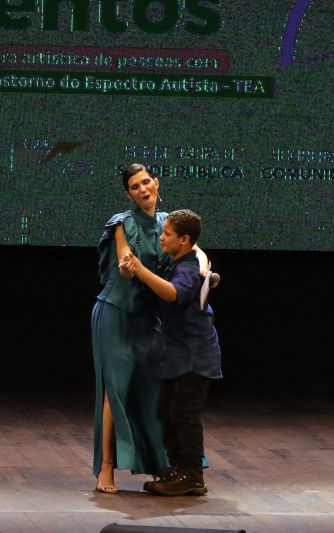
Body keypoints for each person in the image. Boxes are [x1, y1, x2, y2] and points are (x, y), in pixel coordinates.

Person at [92, 164, 211, 493]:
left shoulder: (168, 222)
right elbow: (125, 263)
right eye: (134, 186)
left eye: (146, 182)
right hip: (117, 313)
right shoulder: (122, 223)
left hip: (150, 318)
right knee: (114, 391)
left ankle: (167, 467)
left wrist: (207, 272)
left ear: (156, 183)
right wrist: (130, 266)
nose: (143, 189)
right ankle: (105, 470)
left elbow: (198, 255)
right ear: (128, 194)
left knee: (154, 393)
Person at [120, 209, 222, 496]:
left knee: (184, 414)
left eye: (167, 234)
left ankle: (193, 475)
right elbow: (200, 250)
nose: (161, 238)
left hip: (196, 355)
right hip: (177, 354)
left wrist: (140, 269)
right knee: (166, 411)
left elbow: (172, 293)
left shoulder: (188, 270)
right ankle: (178, 468)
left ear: (183, 240)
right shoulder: (182, 258)